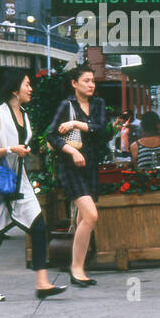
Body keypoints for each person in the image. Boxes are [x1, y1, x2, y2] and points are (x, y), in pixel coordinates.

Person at [0, 69, 66, 302]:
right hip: (0, 184)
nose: (30, 89)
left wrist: (24, 151)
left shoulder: (24, 115)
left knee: (38, 227)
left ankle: (42, 283)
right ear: (15, 89)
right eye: (27, 85)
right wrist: (10, 150)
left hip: (20, 182)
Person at [46, 66, 111, 286]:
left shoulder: (99, 104)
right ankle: (76, 268)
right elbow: (52, 136)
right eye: (86, 81)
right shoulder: (66, 105)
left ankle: (79, 269)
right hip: (71, 168)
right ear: (74, 83)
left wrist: (75, 124)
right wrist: (72, 151)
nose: (91, 85)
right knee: (91, 216)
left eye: (93, 81)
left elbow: (102, 129)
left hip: (91, 167)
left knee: (84, 219)